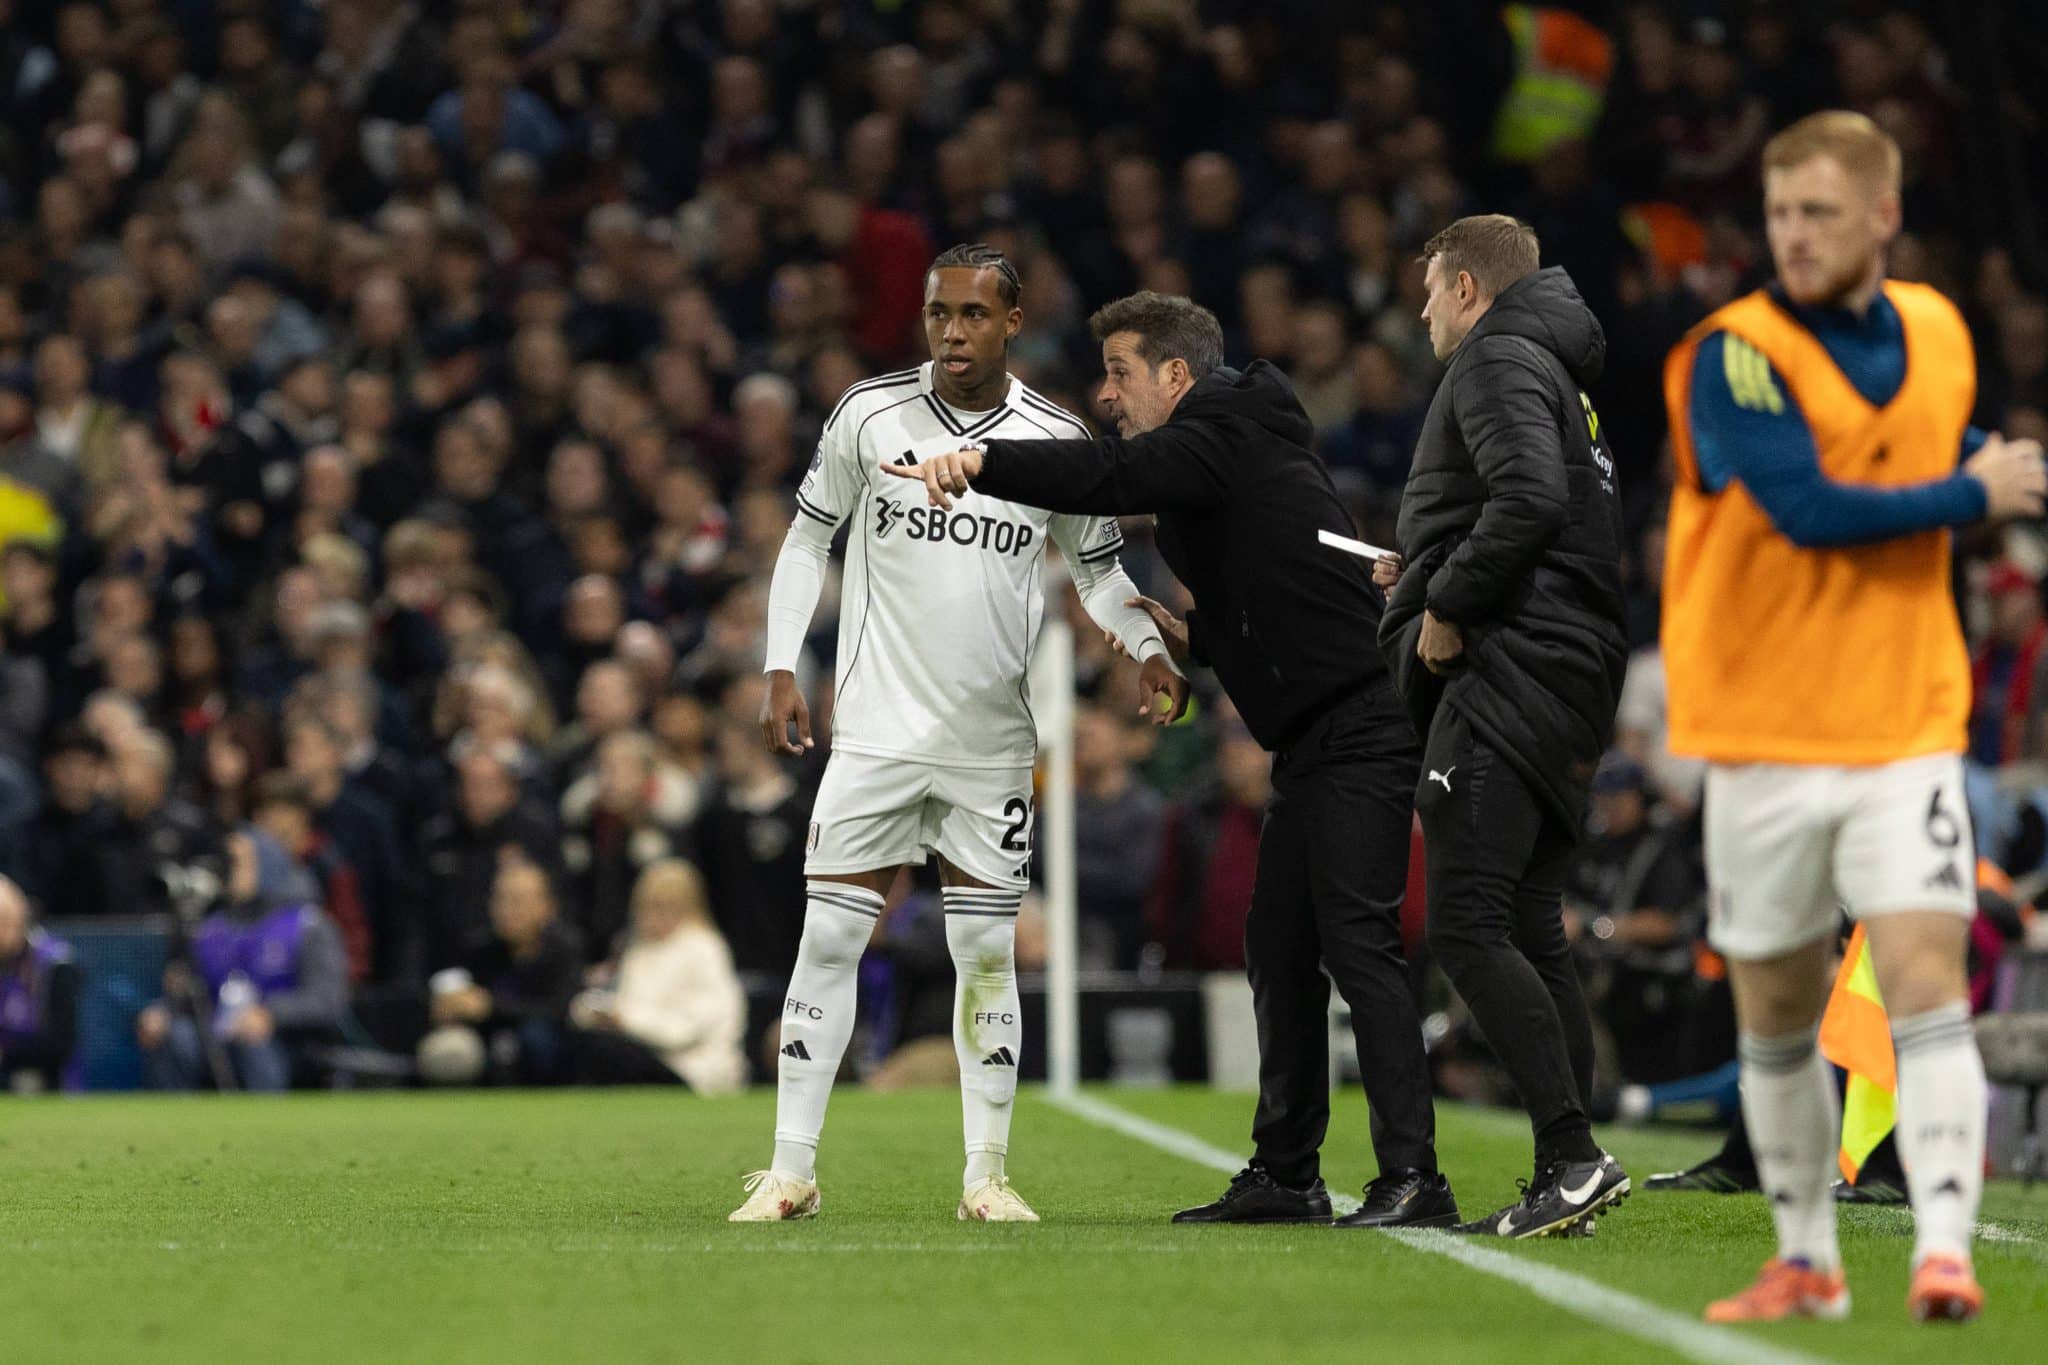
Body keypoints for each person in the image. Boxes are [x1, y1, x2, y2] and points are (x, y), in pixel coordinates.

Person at [887, 290, 1455, 1230]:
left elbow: (1109, 474)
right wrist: (1194, 638)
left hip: (1359, 724)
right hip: (1315, 735)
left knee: (1356, 941)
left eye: (1120, 372)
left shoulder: (1219, 429)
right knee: (1279, 947)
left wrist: (981, 460)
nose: (1108, 394)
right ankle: (1287, 1173)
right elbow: (1275, 589)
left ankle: (1414, 1178)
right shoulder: (1228, 444)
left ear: (1177, 376)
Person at [1662, 111, 2048, 1325]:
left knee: (1925, 979)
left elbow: (1930, 442)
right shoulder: (1726, 354)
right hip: (1762, 734)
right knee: (1773, 1010)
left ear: (1882, 215)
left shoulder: (1936, 328)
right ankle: (1805, 1258)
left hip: (1901, 724)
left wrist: (2000, 466)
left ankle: (1943, 1248)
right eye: (1778, 214)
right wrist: (1974, 492)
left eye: (1818, 212)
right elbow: (1808, 509)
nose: (1793, 236)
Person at [730, 244, 1180, 1225]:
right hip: (878, 739)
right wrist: (778, 664)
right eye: (939, 314)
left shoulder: (1052, 439)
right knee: (828, 944)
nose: (952, 333)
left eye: (974, 316)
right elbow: (808, 538)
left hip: (988, 750)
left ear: (1011, 323)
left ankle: (985, 1176)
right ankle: (789, 1170)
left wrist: (1143, 642)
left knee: (986, 957)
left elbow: (1098, 573)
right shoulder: (868, 413)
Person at [1375, 214, 1631, 1238]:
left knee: (1467, 926)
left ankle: (1570, 1154)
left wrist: (1447, 604)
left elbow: (1523, 499)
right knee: (1528, 924)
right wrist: (1429, 565)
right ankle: (1564, 1167)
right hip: (1564, 669)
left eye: (1432, 290)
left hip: (1507, 671)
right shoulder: (1556, 374)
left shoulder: (1493, 361)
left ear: (1469, 288)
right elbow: (1544, 509)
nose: (1424, 309)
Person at [136, 826, 349, 1092]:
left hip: (288, 1043)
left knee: (252, 1038)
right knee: (175, 1035)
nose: (228, 870)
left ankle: (267, 1121)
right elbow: (196, 994)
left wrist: (270, 1013)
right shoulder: (210, 929)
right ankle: (175, 1122)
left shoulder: (307, 924)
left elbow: (327, 1000)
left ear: (267, 864)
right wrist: (164, 1011)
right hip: (218, 1038)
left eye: (237, 862)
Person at [567, 858, 747, 1092]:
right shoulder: (638, 949)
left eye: (662, 906)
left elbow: (688, 1029)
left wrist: (625, 1020)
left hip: (692, 1066)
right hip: (645, 1050)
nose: (651, 916)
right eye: (646, 906)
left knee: (603, 1049)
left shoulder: (705, 949)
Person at [0, 876, 79, 1092]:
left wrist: (5, 1055)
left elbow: (61, 1046)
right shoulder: (5, 963)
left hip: (49, 1084)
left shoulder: (56, 963)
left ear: (15, 923)